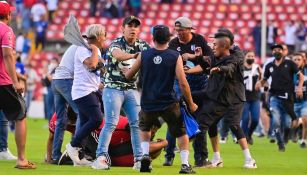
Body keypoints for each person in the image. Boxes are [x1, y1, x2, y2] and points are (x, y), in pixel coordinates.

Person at [125, 25, 197, 174]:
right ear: (169, 39)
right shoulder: (174, 56)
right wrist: (191, 103)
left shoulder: (144, 55)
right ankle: (184, 165)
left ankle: (145, 155)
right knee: (181, 132)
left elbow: (130, 75)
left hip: (148, 101)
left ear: (153, 38)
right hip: (169, 102)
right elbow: (182, 82)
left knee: (144, 128)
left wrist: (126, 71)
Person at [92, 16, 150, 170]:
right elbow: (118, 55)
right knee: (111, 122)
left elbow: (153, 57)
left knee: (137, 124)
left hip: (131, 89)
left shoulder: (143, 45)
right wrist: (135, 56)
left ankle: (138, 160)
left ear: (139, 30)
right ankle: (101, 157)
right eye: (129, 25)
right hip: (113, 88)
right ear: (122, 28)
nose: (133, 28)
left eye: (136, 26)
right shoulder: (116, 44)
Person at [193, 28, 257, 169]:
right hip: (219, 96)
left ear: (226, 43)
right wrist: (198, 58)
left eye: (215, 41)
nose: (212, 44)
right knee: (211, 124)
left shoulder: (237, 55)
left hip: (234, 97)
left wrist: (220, 69)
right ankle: (216, 158)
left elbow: (230, 67)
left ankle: (249, 159)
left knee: (233, 124)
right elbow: (207, 64)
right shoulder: (217, 54)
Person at [164, 16, 213, 168]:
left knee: (200, 123)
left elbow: (210, 60)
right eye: (176, 30)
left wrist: (192, 59)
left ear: (189, 29)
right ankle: (169, 156)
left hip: (199, 85)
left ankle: (200, 159)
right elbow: (169, 63)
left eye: (181, 30)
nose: (178, 33)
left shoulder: (199, 40)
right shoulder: (173, 43)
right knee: (175, 120)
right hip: (180, 85)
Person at [47, 111, 167, 165]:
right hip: (98, 135)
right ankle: (75, 155)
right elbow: (52, 137)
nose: (154, 131)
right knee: (106, 158)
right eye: (154, 128)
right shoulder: (132, 126)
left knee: (110, 159)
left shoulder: (138, 130)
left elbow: (150, 153)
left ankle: (74, 157)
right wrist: (164, 143)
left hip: (109, 143)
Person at [0, 1, 36, 169]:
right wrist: (16, 82)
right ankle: (21, 159)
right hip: (3, 83)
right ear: (8, 15)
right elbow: (7, 55)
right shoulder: (6, 30)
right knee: (20, 116)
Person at [65, 24, 106, 166]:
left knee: (83, 122)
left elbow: (98, 68)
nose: (105, 38)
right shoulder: (83, 49)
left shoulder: (93, 50)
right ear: (99, 37)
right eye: (104, 35)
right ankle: (72, 146)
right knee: (97, 119)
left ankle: (79, 156)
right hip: (83, 92)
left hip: (90, 90)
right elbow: (92, 65)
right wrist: (95, 50)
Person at [256, 43, 304, 151]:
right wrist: (260, 83)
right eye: (274, 50)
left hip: (288, 98)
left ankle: (285, 137)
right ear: (272, 52)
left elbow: (300, 76)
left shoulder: (290, 63)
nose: (276, 51)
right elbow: (265, 79)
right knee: (276, 121)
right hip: (274, 97)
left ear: (283, 52)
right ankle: (280, 142)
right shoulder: (269, 66)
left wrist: (300, 88)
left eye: (279, 50)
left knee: (287, 124)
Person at [50, 45, 80, 164]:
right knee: (81, 114)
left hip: (57, 80)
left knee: (61, 120)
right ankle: (75, 152)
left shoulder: (74, 46)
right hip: (66, 80)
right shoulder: (83, 47)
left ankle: (55, 156)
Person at [241, 50, 262, 145]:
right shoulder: (241, 68)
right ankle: (244, 137)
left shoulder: (257, 68)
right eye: (249, 56)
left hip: (255, 97)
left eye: (253, 56)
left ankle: (249, 134)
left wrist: (260, 82)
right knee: (245, 119)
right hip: (243, 97)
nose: (251, 58)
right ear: (245, 57)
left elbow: (263, 79)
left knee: (255, 119)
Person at [292, 53, 307, 148]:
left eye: (299, 59)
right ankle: (295, 132)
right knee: (294, 124)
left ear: (303, 61)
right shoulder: (289, 72)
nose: (297, 61)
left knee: (306, 120)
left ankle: (303, 140)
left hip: (305, 101)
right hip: (293, 102)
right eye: (295, 60)